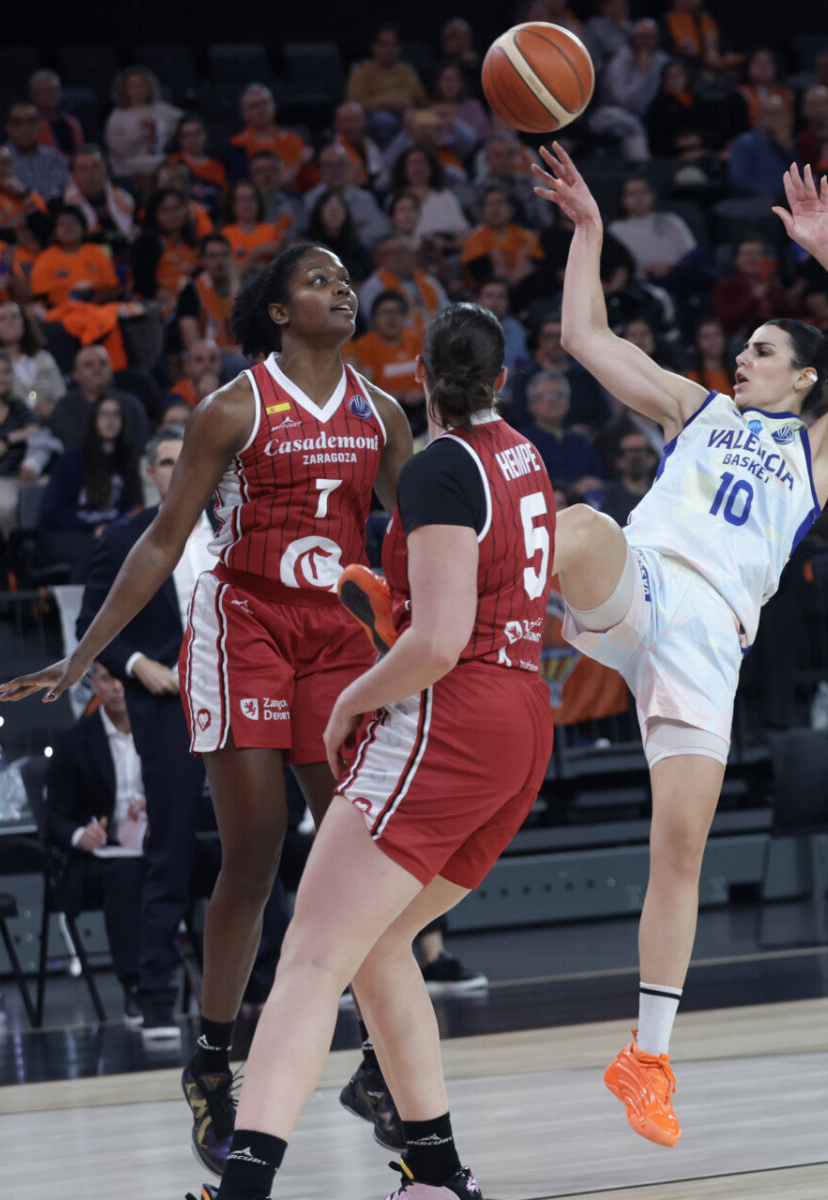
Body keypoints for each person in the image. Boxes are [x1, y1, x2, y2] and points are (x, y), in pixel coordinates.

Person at [0, 242, 415, 1177]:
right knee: (257, 850)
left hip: (338, 639)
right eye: (319, 279)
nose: (342, 288)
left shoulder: (381, 413)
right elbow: (161, 540)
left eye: (347, 277)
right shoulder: (235, 407)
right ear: (275, 309)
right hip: (247, 626)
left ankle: (385, 1064)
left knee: (369, 854)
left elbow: (425, 529)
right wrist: (86, 652)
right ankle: (212, 1062)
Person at [531, 144, 828, 1147]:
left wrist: (826, 248)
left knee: (679, 852)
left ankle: (646, 1059)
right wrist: (586, 233)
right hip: (645, 584)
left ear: (800, 377)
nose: (738, 358)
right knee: (575, 525)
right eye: (738, 349)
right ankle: (462, 620)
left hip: (711, 648)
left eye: (757, 351)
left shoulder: (819, 450)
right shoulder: (691, 411)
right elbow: (580, 334)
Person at [190, 300, 556, 1200]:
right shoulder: (526, 455)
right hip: (523, 723)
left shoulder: (438, 470)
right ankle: (436, 1173)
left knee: (311, 958)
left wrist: (353, 698)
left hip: (453, 718)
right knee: (381, 944)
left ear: (420, 377)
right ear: (503, 380)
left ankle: (242, 1189)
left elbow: (435, 642)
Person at [75, 426, 287, 1036]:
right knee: (166, 850)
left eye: (184, 460)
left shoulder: (238, 526)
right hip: (167, 709)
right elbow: (92, 624)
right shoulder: (122, 537)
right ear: (151, 471)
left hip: (241, 700)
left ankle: (268, 985)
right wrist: (142, 668)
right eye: (165, 461)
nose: (176, 470)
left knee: (253, 844)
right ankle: (157, 994)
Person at [45, 661, 149, 1021]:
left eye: (123, 679)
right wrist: (79, 834)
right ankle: (135, 986)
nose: (118, 686)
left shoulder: (160, 731)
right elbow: (53, 818)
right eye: (108, 678)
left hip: (156, 844)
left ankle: (252, 984)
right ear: (96, 686)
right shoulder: (73, 740)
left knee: (217, 859)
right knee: (125, 874)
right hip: (99, 860)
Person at [38, 394, 143, 580]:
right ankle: (83, 608)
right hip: (67, 533)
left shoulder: (127, 461)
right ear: (93, 419)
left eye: (116, 414)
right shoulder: (72, 460)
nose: (110, 420)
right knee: (98, 551)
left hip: (111, 534)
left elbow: (131, 507)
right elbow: (53, 510)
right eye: (104, 414)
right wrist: (92, 528)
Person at [0, 347, 41, 541]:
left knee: (54, 492)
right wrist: (10, 439)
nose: (2, 377)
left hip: (24, 475)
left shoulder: (17, 407)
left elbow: (37, 433)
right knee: (8, 504)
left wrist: (32, 463)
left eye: (6, 372)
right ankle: (16, 558)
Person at [347, 291, 425, 433]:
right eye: (385, 313)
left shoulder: (418, 343)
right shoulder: (364, 345)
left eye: (396, 312)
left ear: (405, 316)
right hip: (384, 412)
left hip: (422, 410)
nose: (391, 318)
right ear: (374, 318)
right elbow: (365, 389)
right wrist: (401, 395)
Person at [50, 344, 150, 454]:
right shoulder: (65, 407)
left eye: (103, 363)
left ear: (111, 369)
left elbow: (140, 445)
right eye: (88, 365)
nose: (97, 369)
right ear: (75, 374)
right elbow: (70, 447)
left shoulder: (132, 405)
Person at [0, 299, 66, 422]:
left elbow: (61, 394)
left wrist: (53, 411)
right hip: (11, 427)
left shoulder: (43, 357)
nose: (9, 322)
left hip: (55, 422)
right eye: (2, 319)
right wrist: (32, 406)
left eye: (15, 317)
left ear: (24, 322)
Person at [345, 24, 428, 147]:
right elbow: (354, 104)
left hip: (409, 115)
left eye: (394, 44)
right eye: (385, 44)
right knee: (385, 121)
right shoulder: (362, 70)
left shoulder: (407, 71)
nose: (390, 48)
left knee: (437, 122)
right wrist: (388, 106)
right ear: (374, 47)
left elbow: (422, 100)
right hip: (376, 116)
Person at [104, 65, 183, 188]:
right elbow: (119, 150)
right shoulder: (117, 115)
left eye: (142, 85)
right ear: (125, 89)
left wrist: (166, 133)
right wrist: (141, 131)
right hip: (127, 172)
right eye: (133, 86)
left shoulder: (162, 109)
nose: (138, 90)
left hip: (158, 168)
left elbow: (186, 123)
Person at [227, 85, 315, 191]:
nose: (261, 109)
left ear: (273, 106)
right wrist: (296, 167)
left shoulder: (294, 141)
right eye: (254, 106)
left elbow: (310, 181)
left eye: (264, 103)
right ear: (244, 113)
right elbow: (239, 184)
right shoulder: (237, 144)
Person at [30, 206, 121, 308]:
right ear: (54, 231)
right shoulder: (45, 258)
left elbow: (111, 286)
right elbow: (41, 297)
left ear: (84, 228)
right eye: (62, 223)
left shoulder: (97, 252)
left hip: (98, 310)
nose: (69, 227)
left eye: (74, 222)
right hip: (60, 314)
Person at [129, 187, 199, 313]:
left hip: (186, 308)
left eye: (178, 208)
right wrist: (181, 304)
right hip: (153, 309)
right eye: (165, 210)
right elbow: (144, 284)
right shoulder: (149, 242)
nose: (173, 214)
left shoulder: (193, 245)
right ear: (154, 214)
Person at [176, 235, 241, 357]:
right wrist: (234, 352)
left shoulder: (242, 288)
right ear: (203, 260)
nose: (219, 261)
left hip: (240, 355)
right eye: (213, 256)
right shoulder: (190, 292)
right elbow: (192, 344)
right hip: (208, 358)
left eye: (224, 255)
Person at [4, 102, 70, 202]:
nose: (25, 128)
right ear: (9, 127)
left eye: (31, 122)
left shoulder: (54, 158)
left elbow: (69, 192)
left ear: (39, 126)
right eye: (18, 123)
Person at [170, 114, 228, 218]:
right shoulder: (172, 163)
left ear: (205, 135)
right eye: (187, 135)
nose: (193, 139)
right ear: (179, 140)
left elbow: (223, 201)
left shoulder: (218, 167)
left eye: (197, 133)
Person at [220, 180, 284, 274]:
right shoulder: (225, 234)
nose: (247, 203)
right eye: (242, 199)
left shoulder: (272, 230)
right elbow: (235, 274)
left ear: (258, 203)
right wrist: (257, 251)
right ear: (232, 205)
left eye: (251, 198)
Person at [30, 70, 85, 159]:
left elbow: (82, 152)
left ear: (59, 93)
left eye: (52, 90)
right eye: (42, 91)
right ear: (33, 95)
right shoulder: (28, 125)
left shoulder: (72, 122)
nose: (47, 95)